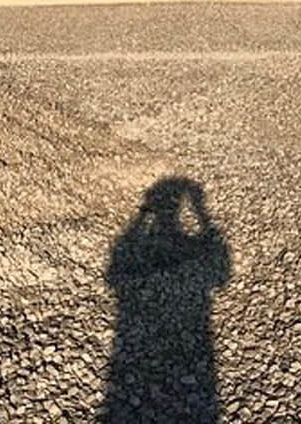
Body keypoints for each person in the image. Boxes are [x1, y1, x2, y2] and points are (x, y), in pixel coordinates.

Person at [102, 177, 230, 423]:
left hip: (131, 330)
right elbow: (223, 276)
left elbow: (112, 276)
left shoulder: (131, 240)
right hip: (197, 326)